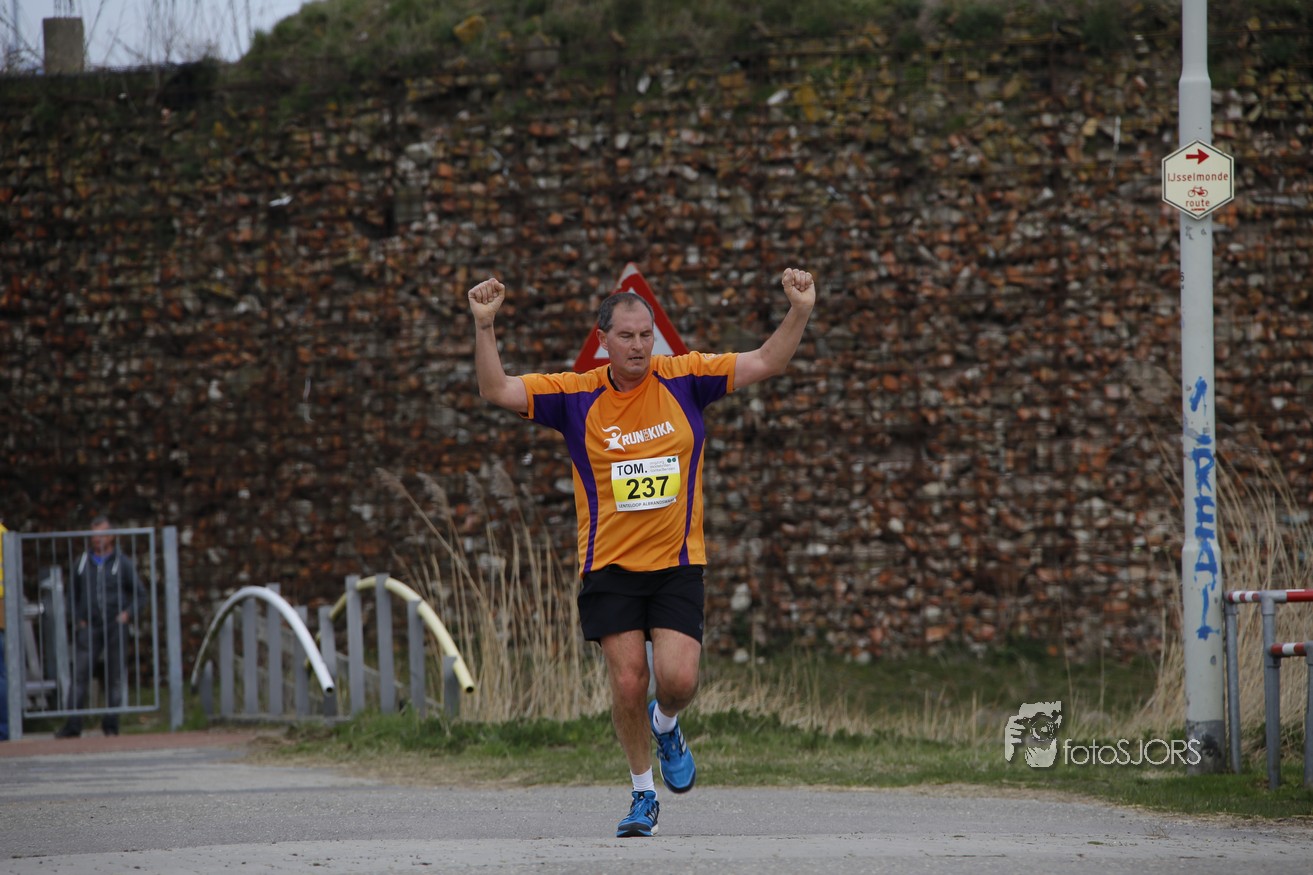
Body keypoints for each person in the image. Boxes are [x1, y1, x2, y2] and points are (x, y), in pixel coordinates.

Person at [467, 267, 816, 837]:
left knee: (677, 682)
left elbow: (766, 361)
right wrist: (485, 326)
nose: (637, 346)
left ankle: (667, 723)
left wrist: (799, 310)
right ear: (602, 340)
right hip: (609, 566)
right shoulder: (575, 395)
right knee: (628, 682)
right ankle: (642, 793)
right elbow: (496, 389)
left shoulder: (685, 378)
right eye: (625, 336)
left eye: (645, 335)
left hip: (677, 563)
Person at [56, 516, 146, 738]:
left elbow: (140, 594)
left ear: (112, 536)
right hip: (90, 627)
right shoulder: (82, 562)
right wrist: (78, 619)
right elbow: (71, 595)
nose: (97, 539)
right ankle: (73, 724)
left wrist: (127, 614)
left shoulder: (122, 562)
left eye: (102, 534)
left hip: (115, 625)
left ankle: (111, 724)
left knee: (115, 677)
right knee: (80, 675)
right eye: (94, 535)